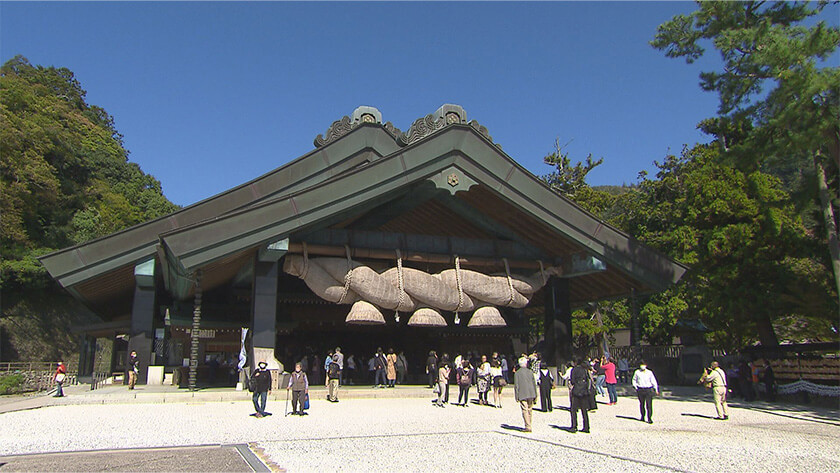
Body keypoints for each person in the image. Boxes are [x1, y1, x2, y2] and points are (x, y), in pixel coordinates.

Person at [568, 358, 594, 433]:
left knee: (573, 410)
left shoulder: (574, 370)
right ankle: (586, 427)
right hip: (584, 390)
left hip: (576, 390)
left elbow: (572, 381)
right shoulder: (585, 370)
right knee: (584, 410)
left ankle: (574, 426)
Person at [514, 357, 537, 432]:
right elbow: (534, 384)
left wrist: (516, 396)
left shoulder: (517, 373)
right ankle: (529, 423)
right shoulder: (530, 372)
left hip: (522, 393)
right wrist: (536, 394)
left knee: (525, 410)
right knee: (530, 409)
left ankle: (528, 426)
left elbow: (516, 385)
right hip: (531, 392)